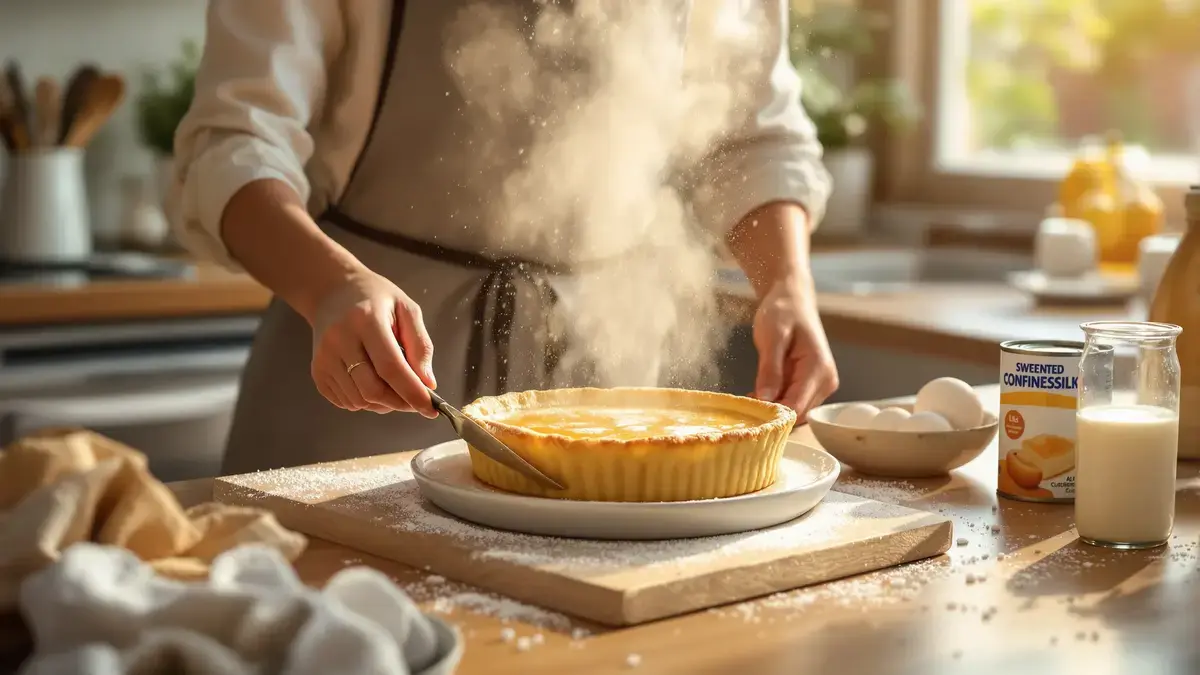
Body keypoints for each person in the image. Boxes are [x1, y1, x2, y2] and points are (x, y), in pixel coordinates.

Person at [171, 0, 839, 475]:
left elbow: (753, 138)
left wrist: (786, 285)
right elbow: (234, 147)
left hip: (604, 395)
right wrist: (332, 286)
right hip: (366, 381)